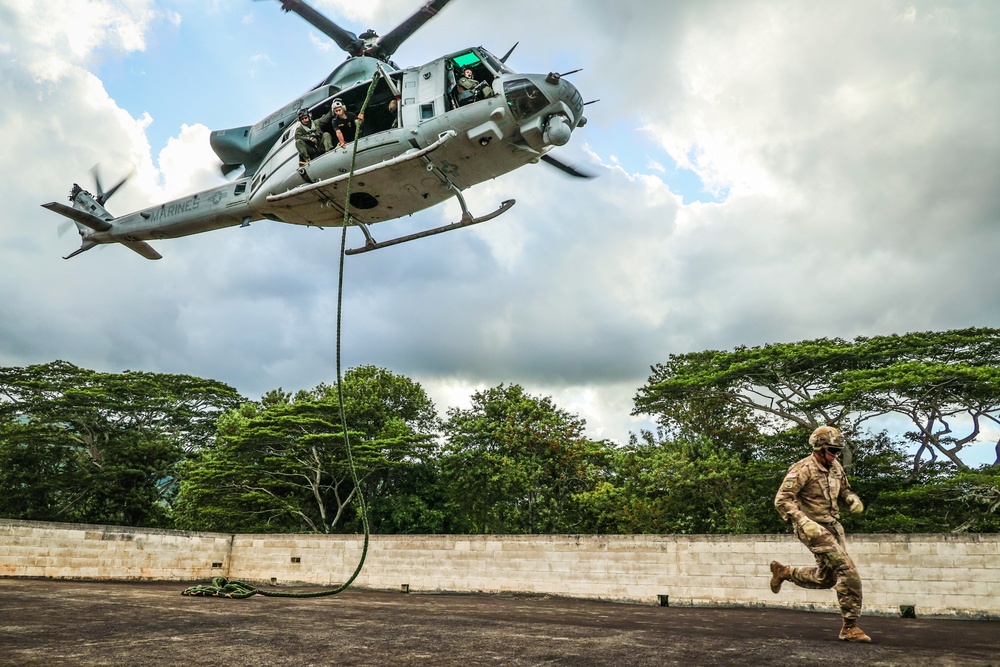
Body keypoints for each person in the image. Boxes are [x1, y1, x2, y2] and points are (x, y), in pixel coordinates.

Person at [770, 425, 871, 643]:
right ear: (818, 448)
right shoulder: (803, 469)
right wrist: (802, 520)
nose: (836, 455)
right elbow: (782, 499)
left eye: (838, 451)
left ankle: (785, 572)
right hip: (812, 529)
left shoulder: (836, 468)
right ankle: (850, 627)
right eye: (832, 451)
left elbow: (844, 489)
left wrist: (851, 498)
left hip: (832, 526)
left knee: (827, 578)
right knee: (848, 571)